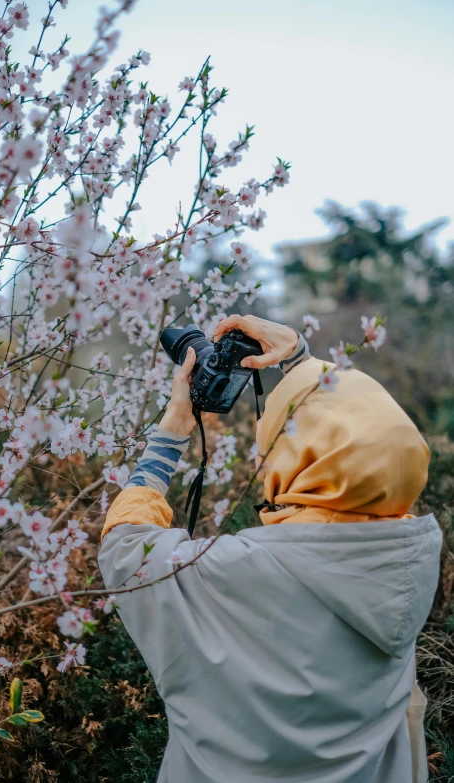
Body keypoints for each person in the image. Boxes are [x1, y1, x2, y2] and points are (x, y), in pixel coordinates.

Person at [98, 314, 442, 783]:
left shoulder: (234, 569)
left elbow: (125, 549)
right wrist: (301, 360)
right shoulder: (412, 560)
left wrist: (173, 430)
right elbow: (365, 442)